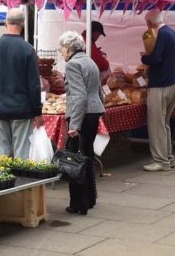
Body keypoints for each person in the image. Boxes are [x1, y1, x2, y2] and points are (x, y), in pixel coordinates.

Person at [0, 8, 42, 158]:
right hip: (22, 109)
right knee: (22, 155)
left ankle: (2, 180)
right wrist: (37, 111)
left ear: (6, 22)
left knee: (2, 156)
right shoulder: (28, 49)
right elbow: (34, 85)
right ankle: (22, 181)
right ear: (22, 24)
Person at [59, 31, 105, 215]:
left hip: (82, 115)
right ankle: (90, 198)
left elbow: (79, 96)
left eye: (61, 48)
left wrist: (74, 125)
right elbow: (99, 90)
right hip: (93, 112)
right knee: (87, 156)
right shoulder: (89, 61)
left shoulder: (73, 64)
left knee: (75, 159)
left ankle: (79, 203)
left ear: (69, 48)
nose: (61, 52)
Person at [141, 9, 175, 172]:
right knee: (164, 123)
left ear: (150, 23)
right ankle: (168, 157)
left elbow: (155, 59)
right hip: (174, 82)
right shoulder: (173, 33)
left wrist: (144, 57)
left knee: (157, 124)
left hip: (161, 85)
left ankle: (160, 160)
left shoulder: (161, 35)